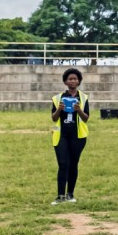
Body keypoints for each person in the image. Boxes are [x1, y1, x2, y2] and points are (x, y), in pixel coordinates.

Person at [50, 67, 90, 204]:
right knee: (63, 164)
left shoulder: (83, 98)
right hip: (61, 135)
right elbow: (54, 119)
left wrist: (79, 110)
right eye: (70, 79)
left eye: (75, 79)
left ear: (79, 81)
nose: (73, 81)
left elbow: (86, 118)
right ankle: (60, 195)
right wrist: (59, 109)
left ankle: (70, 194)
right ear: (65, 82)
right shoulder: (58, 98)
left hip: (78, 136)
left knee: (73, 164)